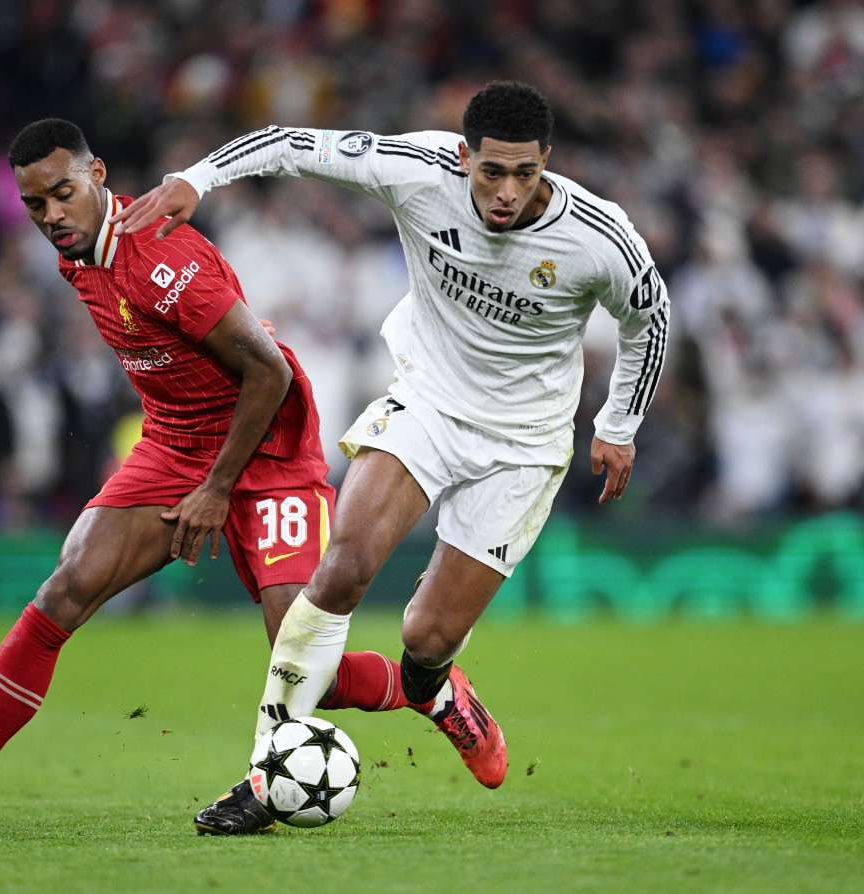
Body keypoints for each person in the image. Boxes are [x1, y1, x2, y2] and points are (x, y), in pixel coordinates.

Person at [0, 119, 485, 837]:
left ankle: (435, 694)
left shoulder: (162, 258)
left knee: (299, 658)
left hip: (270, 454)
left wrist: (218, 488)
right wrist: (192, 469)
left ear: (98, 175)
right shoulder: (79, 256)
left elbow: (271, 370)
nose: (51, 217)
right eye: (35, 205)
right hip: (174, 446)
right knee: (65, 587)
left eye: (63, 194)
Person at [112, 81, 671, 825]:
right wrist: (198, 177)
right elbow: (291, 144)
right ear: (464, 155)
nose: (506, 192)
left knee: (425, 637)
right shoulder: (418, 168)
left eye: (525, 174)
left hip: (526, 444)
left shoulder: (600, 237)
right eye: (490, 171)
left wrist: (620, 423)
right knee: (339, 571)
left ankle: (437, 689)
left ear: (547, 162)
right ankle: (266, 772)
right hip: (430, 403)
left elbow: (651, 318)